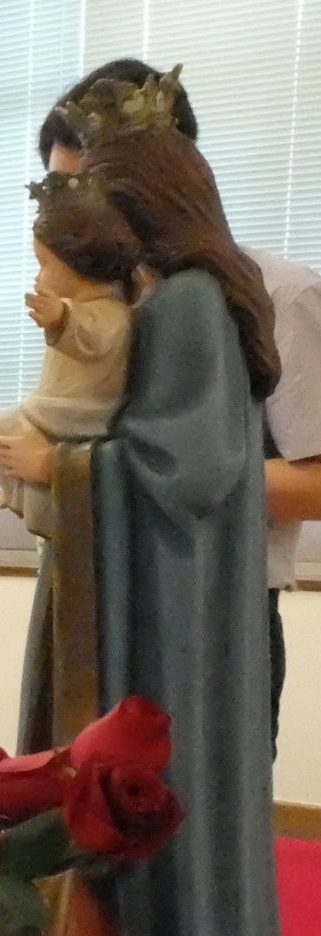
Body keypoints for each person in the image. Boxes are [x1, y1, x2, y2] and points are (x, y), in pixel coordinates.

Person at [0, 66, 296, 936]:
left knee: (132, 816)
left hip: (161, 620)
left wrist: (58, 467)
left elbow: (194, 468)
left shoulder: (188, 307)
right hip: (122, 594)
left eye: (86, 194)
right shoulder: (153, 299)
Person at [39, 57, 321, 747]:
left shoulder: (275, 294)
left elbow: (317, 484)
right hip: (100, 594)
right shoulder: (97, 303)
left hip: (217, 608)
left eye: (87, 191)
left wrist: (110, 476)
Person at [0, 172, 141, 537]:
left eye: (45, 264)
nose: (39, 276)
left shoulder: (112, 315)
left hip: (76, 416)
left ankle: (28, 501)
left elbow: (91, 336)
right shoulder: (89, 309)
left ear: (78, 263)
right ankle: (15, 493)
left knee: (4, 435)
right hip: (50, 408)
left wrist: (61, 317)